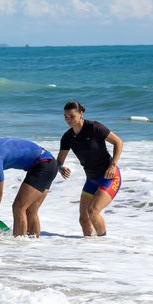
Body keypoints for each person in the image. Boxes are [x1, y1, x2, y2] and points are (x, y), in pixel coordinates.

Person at [56, 101, 124, 237]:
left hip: (109, 177)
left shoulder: (94, 127)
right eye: (65, 117)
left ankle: (103, 242)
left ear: (81, 113)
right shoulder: (67, 137)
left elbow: (119, 142)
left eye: (72, 116)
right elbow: (59, 162)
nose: (68, 120)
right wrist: (61, 168)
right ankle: (89, 249)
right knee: (83, 219)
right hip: (91, 180)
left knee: (93, 211)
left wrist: (112, 165)